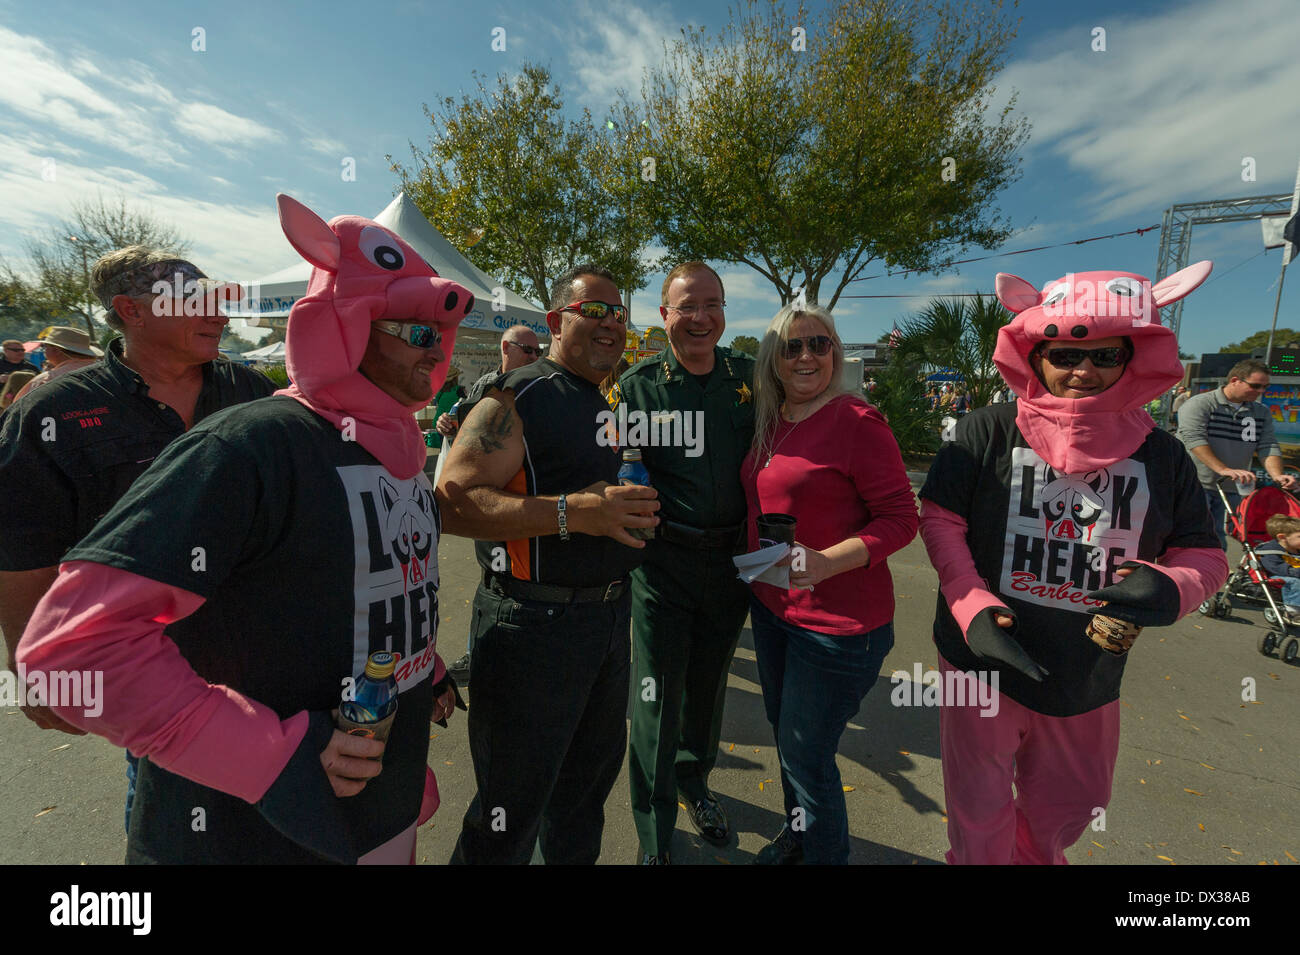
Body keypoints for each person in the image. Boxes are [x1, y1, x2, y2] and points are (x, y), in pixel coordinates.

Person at [16, 195, 470, 863]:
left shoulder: (395, 447)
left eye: (441, 334)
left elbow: (367, 580)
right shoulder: (251, 442)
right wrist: (268, 754)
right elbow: (71, 650)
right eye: (415, 331)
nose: (437, 354)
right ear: (348, 323)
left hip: (371, 815)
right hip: (239, 832)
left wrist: (421, 666)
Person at [918, 264, 1229, 865]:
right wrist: (970, 604)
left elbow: (1204, 552)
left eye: (1104, 355)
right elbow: (940, 519)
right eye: (1063, 354)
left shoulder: (1162, 455)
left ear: (1131, 357)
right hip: (978, 659)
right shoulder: (986, 430)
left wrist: (1174, 588)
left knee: (1074, 803)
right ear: (1036, 357)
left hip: (1087, 668)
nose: (1082, 370)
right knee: (977, 809)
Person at [0, 246, 277, 833]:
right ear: (130, 310)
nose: (221, 313)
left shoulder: (253, 392)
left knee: (284, 815)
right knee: (173, 816)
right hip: (155, 674)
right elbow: (22, 551)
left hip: (267, 656)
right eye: (195, 301)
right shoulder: (56, 411)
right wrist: (34, 670)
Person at [438, 263, 660, 864]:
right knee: (508, 813)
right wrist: (575, 513)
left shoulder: (604, 401)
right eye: (596, 311)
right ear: (557, 321)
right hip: (531, 630)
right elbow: (453, 501)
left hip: (608, 627)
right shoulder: (520, 392)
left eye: (619, 313)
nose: (612, 323)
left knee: (583, 801)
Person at [742, 303, 918, 865]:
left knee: (807, 756)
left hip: (839, 627)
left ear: (836, 353)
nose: (807, 356)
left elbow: (901, 518)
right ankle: (800, 836)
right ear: (773, 359)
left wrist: (827, 562)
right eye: (793, 346)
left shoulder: (855, 421)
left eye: (820, 344)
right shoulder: (773, 420)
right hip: (774, 611)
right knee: (790, 744)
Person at [612, 261, 755, 864]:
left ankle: (695, 784)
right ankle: (653, 830)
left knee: (707, 687)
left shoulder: (754, 380)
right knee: (654, 694)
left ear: (724, 313)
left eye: (713, 305)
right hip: (662, 563)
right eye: (687, 306)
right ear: (663, 315)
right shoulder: (635, 388)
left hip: (733, 564)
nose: (701, 317)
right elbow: (614, 468)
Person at [435, 323, 542, 685]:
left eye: (537, 351)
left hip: (523, 500)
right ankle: (479, 652)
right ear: (505, 348)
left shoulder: (538, 387)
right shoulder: (483, 387)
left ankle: (513, 658)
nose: (533, 356)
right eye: (527, 350)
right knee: (494, 581)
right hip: (491, 501)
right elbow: (464, 431)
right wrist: (447, 424)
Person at [1177, 359, 1298, 549]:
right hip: (1195, 484)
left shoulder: (1260, 411)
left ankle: (1215, 576)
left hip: (1233, 487)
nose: (1261, 392)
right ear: (1235, 380)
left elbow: (1268, 445)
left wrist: (1277, 476)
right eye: (1256, 386)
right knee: (1193, 536)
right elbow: (1194, 440)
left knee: (1219, 538)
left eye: (1265, 387)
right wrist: (1223, 469)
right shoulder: (1200, 404)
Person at [13, 326, 103, 400]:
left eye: (45, 346)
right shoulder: (107, 372)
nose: (44, 350)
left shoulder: (46, 380)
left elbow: (19, 412)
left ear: (56, 350)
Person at [1256, 514, 1300, 623]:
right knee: (1294, 582)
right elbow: (1277, 569)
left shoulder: (1296, 548)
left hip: (1294, 573)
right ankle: (1292, 612)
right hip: (1277, 576)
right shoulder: (1270, 552)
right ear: (1282, 537)